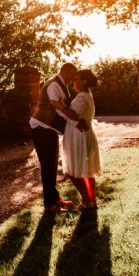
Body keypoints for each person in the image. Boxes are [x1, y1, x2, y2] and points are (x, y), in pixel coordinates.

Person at [30, 62, 81, 213]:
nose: (74, 79)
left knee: (52, 167)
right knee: (48, 168)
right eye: (73, 75)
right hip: (42, 129)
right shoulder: (54, 85)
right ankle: (50, 206)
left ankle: (55, 199)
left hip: (48, 130)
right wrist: (74, 122)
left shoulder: (59, 84)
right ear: (66, 72)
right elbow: (57, 108)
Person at [61, 69, 102, 210]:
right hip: (82, 133)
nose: (74, 81)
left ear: (84, 81)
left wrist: (58, 106)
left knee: (73, 170)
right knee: (85, 170)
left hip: (79, 136)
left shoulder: (83, 96)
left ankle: (87, 201)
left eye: (77, 78)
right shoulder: (86, 95)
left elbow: (73, 115)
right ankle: (91, 201)